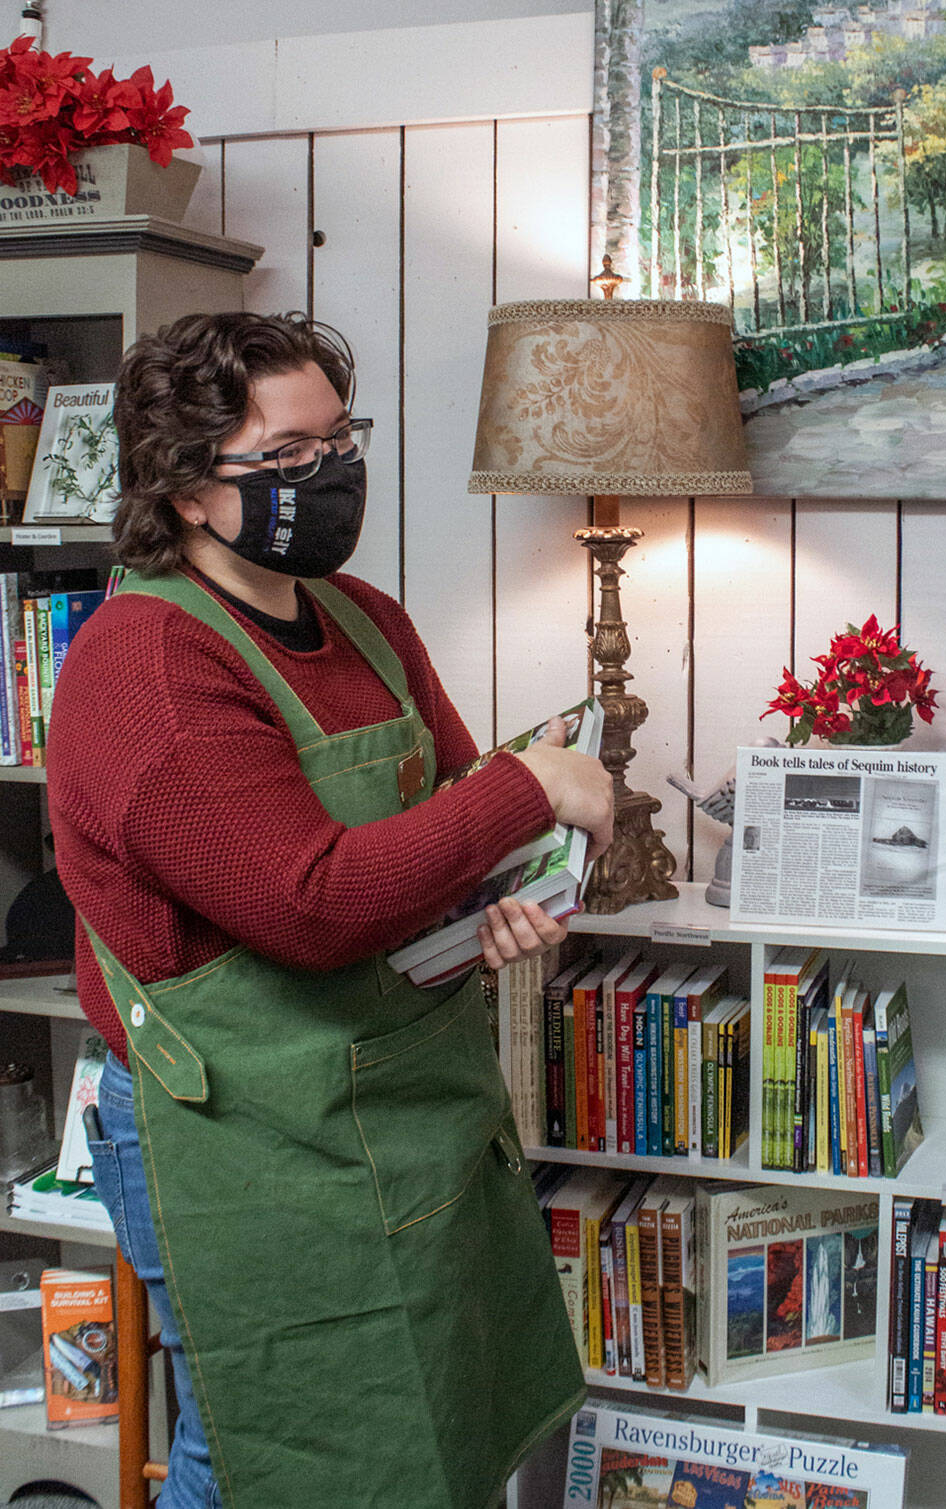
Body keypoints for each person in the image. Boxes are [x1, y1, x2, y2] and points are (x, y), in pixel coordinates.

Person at [46, 310, 613, 1509]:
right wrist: (526, 789)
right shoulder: (145, 668)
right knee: (269, 1454)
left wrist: (500, 895)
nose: (331, 474)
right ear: (189, 489)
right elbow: (308, 903)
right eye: (288, 458)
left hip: (399, 1099)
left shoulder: (362, 617)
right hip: (242, 1128)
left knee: (438, 1424)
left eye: (339, 439)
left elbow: (449, 819)